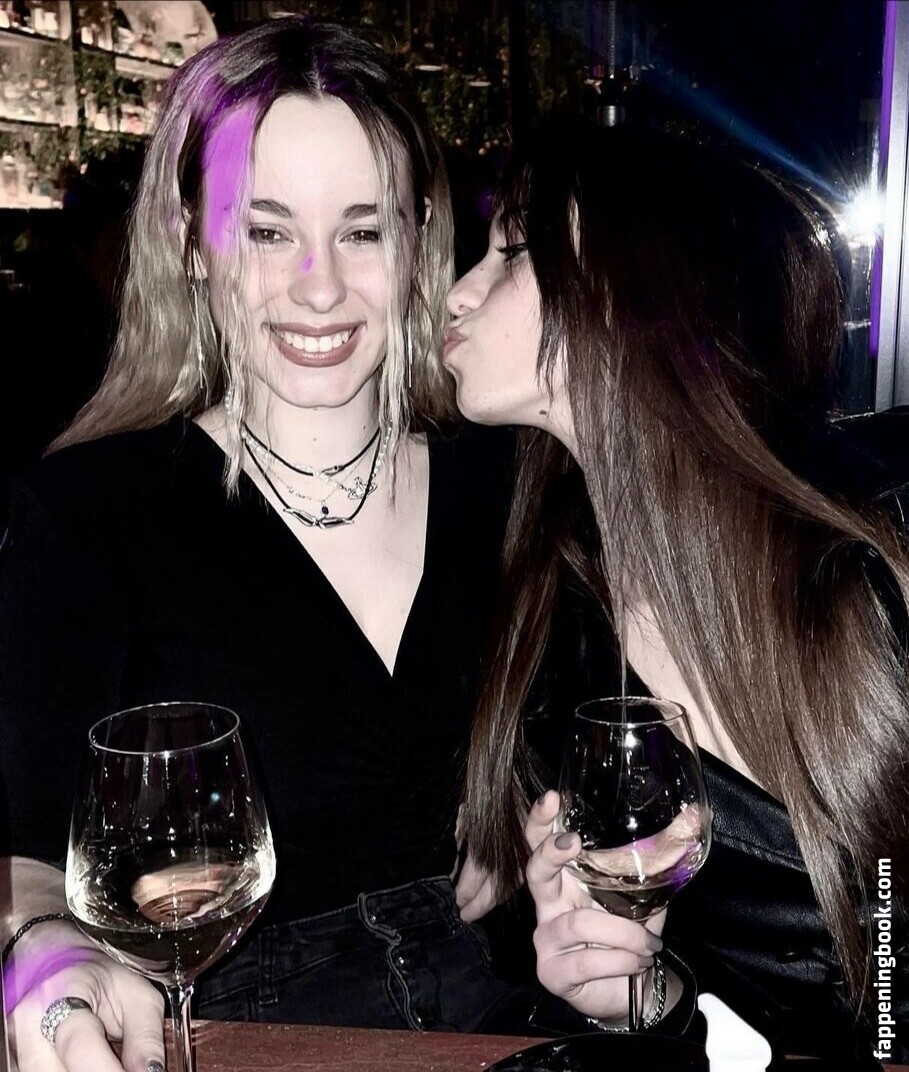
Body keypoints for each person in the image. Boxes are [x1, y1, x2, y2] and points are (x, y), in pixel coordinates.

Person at [0, 17, 529, 1072]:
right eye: (266, 230)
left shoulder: (512, 479)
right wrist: (43, 953)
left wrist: (542, 836)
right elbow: (24, 860)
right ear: (190, 244)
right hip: (234, 1037)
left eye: (363, 232)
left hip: (512, 1028)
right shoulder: (86, 512)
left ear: (419, 240)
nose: (319, 286)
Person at [445, 121, 909, 1064]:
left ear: (640, 292)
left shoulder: (873, 565)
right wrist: (632, 990)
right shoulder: (556, 634)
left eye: (513, 251)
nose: (458, 291)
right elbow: (687, 1020)